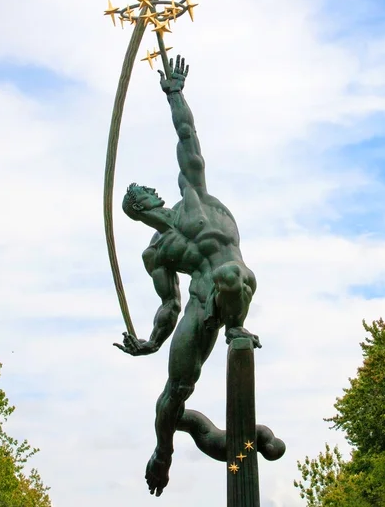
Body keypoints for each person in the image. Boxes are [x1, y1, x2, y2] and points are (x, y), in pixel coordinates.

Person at [114, 55, 261, 497]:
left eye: (140, 192)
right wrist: (151, 343)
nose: (143, 197)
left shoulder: (193, 198)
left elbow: (187, 138)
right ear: (138, 211)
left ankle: (237, 328)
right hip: (199, 307)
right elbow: (169, 306)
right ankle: (165, 452)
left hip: (231, 283)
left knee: (231, 277)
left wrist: (175, 93)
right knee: (172, 396)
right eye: (136, 200)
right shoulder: (155, 253)